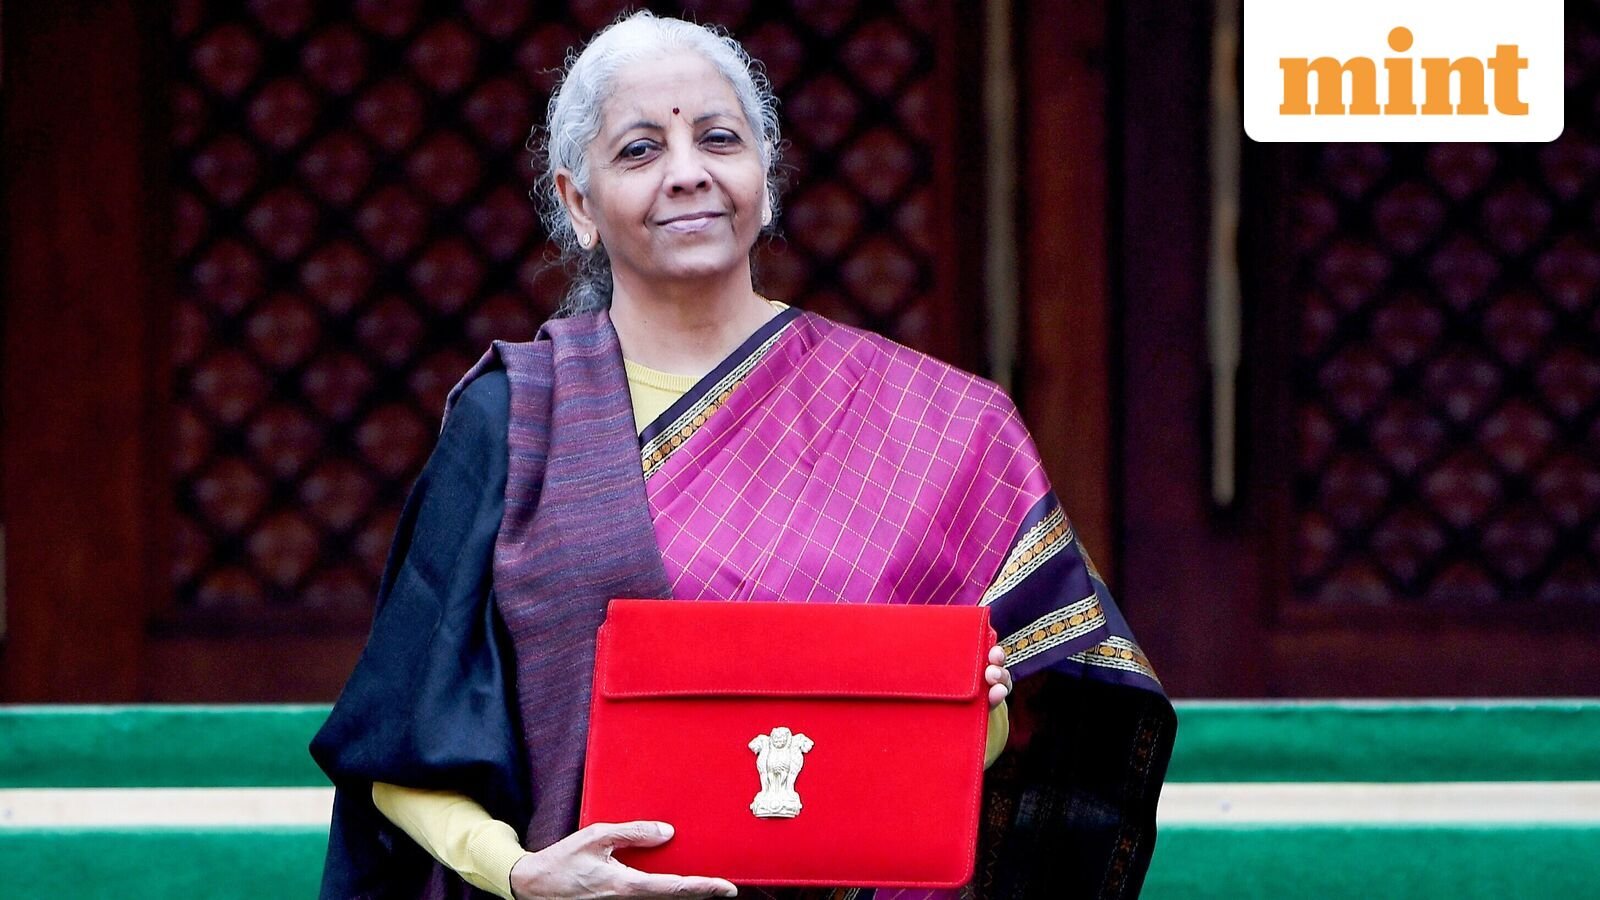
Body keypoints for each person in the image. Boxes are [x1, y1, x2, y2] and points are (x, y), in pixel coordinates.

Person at [312, 11, 1173, 900]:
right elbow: (399, 736)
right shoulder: (515, 418)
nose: (689, 172)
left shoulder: (940, 425)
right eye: (640, 150)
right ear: (578, 204)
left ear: (765, 178)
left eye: (720, 139)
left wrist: (969, 715)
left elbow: (1050, 719)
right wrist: (522, 873)